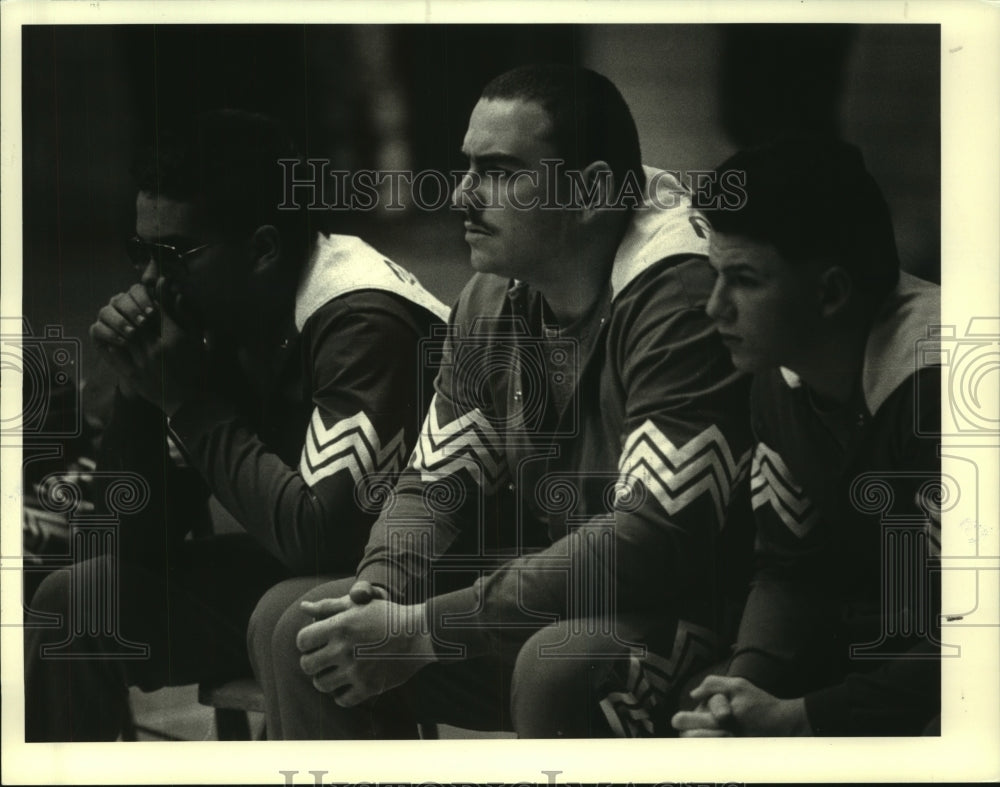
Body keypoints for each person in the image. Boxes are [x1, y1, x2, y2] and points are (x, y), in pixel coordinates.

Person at [249, 64, 755, 739]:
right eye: (468, 166)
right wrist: (381, 591)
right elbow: (435, 485)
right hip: (578, 596)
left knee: (555, 664)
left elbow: (653, 542)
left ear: (592, 191)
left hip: (699, 615)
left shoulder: (677, 297)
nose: (463, 193)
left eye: (500, 170)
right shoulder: (493, 296)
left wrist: (423, 629)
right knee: (305, 623)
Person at [23, 109, 448, 741]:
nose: (148, 278)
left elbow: (320, 537)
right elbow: (129, 548)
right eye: (140, 250)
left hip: (417, 593)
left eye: (174, 254)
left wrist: (186, 401)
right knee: (76, 599)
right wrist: (144, 389)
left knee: (297, 612)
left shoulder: (361, 320)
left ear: (262, 250)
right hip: (300, 573)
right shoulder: (213, 308)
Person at [671, 138, 942, 737]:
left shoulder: (946, 386)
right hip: (886, 654)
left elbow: (976, 641)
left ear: (831, 292)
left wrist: (796, 718)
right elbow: (792, 569)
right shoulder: (778, 374)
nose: (715, 308)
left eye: (742, 280)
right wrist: (741, 693)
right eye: (715, 275)